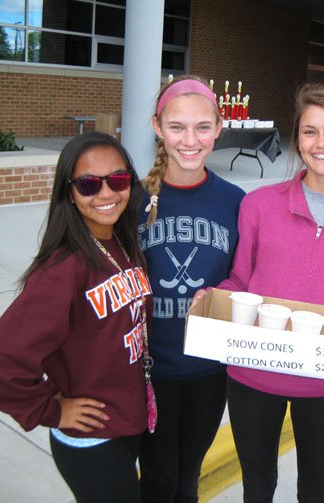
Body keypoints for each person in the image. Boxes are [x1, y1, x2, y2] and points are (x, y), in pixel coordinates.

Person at [214, 83, 324, 503]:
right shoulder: (259, 205)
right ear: (297, 138)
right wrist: (212, 299)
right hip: (253, 374)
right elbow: (239, 281)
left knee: (315, 491)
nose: (321, 143)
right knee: (257, 488)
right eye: (310, 132)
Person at [0, 132, 153, 503]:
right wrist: (50, 409)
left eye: (118, 180)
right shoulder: (63, 269)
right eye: (89, 184)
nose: (106, 194)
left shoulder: (121, 243)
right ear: (69, 192)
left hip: (126, 422)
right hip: (92, 441)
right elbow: (1, 357)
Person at [137, 75, 245, 502]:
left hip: (207, 369)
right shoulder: (130, 199)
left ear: (219, 128)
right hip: (149, 371)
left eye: (203, 127)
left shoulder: (236, 202)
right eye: (177, 126)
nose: (190, 139)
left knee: (188, 479)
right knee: (158, 479)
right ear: (157, 127)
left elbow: (244, 279)